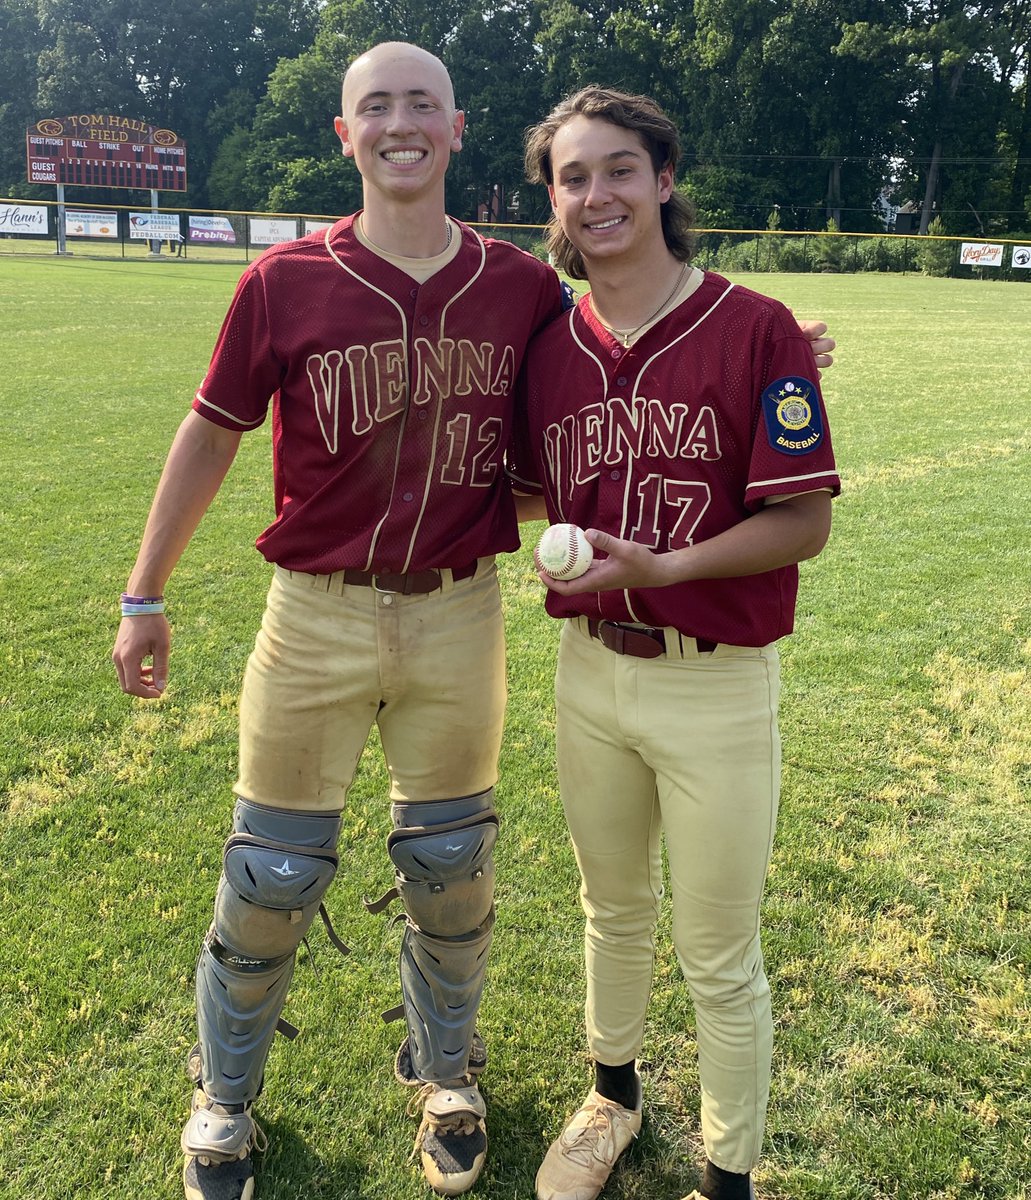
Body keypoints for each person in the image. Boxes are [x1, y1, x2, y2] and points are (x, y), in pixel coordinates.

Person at [112, 44, 833, 1200]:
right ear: (345, 136)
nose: (399, 125)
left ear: (456, 131)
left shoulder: (522, 296)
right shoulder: (283, 281)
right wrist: (143, 593)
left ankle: (446, 1074)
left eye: (422, 106)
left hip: (460, 614)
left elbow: (639, 372)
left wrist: (775, 363)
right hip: (315, 614)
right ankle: (224, 1096)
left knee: (452, 870)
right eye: (373, 108)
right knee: (269, 877)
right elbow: (211, 431)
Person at [511, 87, 841, 1200]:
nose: (594, 194)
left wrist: (664, 569)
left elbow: (803, 522)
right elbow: (520, 496)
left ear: (662, 179)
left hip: (715, 685)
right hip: (588, 674)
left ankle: (727, 1173)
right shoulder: (547, 346)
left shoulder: (755, 327)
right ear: (550, 201)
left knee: (717, 954)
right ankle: (609, 1098)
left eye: (617, 169)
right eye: (571, 177)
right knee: (609, 910)